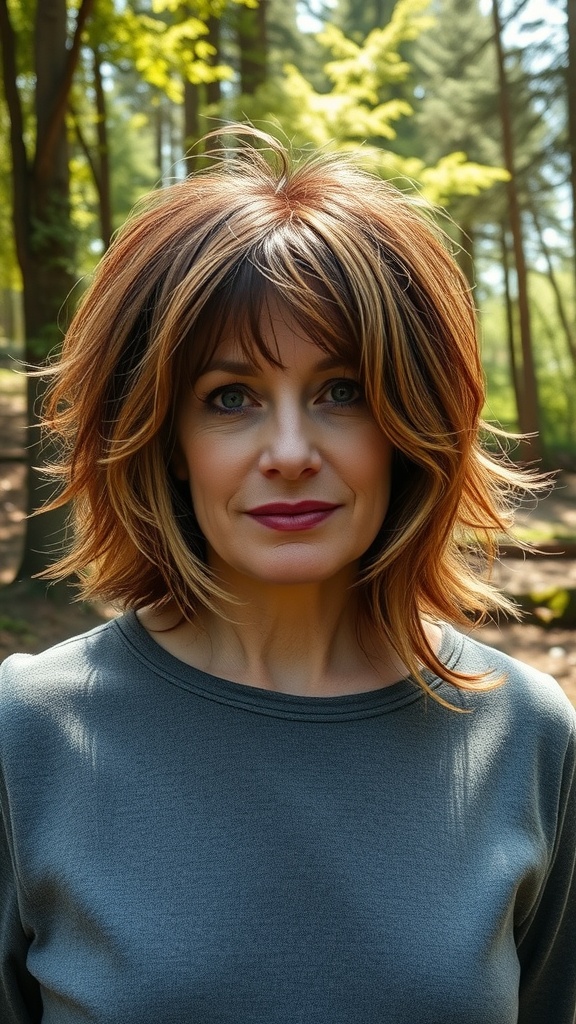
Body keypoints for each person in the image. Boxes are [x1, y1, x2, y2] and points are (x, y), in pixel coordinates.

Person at [0, 125, 574, 1024]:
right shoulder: (26, 739)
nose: (292, 452)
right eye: (230, 398)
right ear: (165, 439)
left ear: (407, 422)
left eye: (341, 390)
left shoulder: (530, 740)